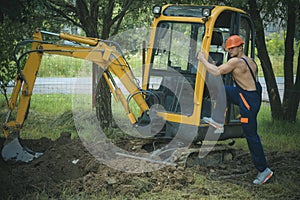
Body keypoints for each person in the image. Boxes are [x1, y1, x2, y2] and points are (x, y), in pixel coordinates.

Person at [197, 35, 273, 185]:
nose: (230, 50)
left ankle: (264, 170)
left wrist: (203, 60)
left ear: (240, 47)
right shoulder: (250, 61)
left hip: (248, 102)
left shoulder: (236, 62)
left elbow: (217, 72)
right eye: (228, 48)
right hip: (250, 95)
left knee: (251, 136)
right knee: (222, 90)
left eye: (233, 48)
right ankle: (218, 121)